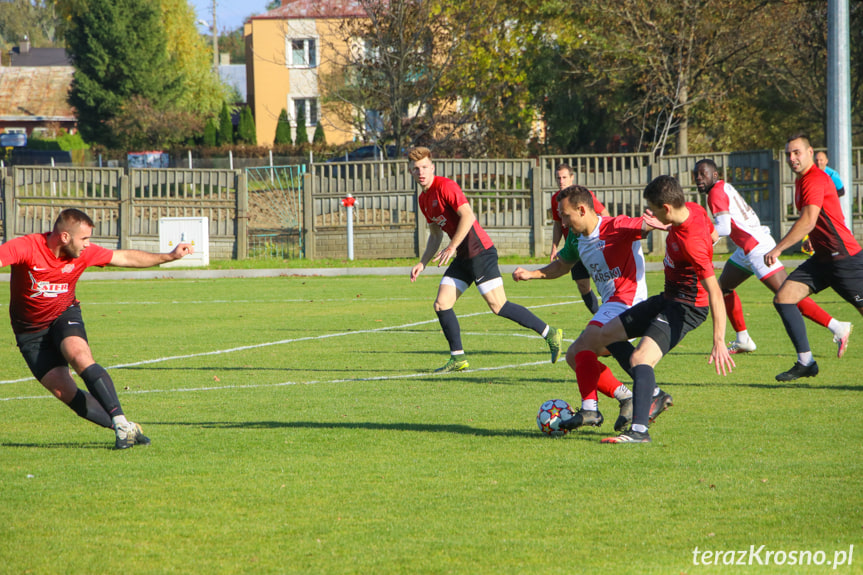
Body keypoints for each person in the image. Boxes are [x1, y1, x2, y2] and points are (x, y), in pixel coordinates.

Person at [0, 208, 193, 449]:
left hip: (63, 314)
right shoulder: (28, 247)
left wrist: (168, 257)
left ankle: (120, 423)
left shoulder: (84, 254)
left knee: (79, 356)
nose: (88, 245)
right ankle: (125, 427)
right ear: (65, 238)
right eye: (85, 239)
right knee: (64, 392)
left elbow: (123, 258)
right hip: (29, 332)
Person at [573, 175, 735, 444]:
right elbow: (714, 233)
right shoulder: (694, 208)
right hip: (667, 297)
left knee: (640, 359)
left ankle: (639, 432)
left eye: (654, 210)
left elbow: (715, 291)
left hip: (686, 307)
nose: (651, 215)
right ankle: (655, 394)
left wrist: (718, 340)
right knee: (606, 335)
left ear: (667, 208)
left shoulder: (691, 243)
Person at [513, 185, 672, 432]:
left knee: (586, 343)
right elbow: (561, 266)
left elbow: (649, 224)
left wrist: (675, 223)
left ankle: (594, 408)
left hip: (630, 300)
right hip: (613, 303)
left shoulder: (615, 226)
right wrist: (530, 274)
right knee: (575, 355)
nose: (562, 222)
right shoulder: (576, 239)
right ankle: (627, 397)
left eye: (565, 215)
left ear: (582, 209)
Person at [408, 147, 563, 372]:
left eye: (424, 167)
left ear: (432, 167)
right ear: (411, 173)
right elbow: (435, 234)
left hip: (479, 251)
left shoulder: (445, 186)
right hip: (462, 255)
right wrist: (422, 262)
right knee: (442, 304)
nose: (420, 172)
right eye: (415, 169)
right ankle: (458, 358)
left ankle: (550, 334)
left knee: (498, 306)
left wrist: (451, 247)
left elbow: (468, 216)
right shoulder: (423, 199)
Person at [693, 159, 850, 355]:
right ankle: (743, 339)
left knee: (788, 295)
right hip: (747, 247)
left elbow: (723, 227)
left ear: (714, 175)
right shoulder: (722, 187)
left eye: (703, 174)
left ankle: (837, 327)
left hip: (757, 248)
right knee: (723, 288)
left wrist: (699, 238)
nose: (699, 178)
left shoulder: (715, 192)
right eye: (696, 174)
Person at [765, 134, 862, 382]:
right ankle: (806, 362)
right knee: (784, 298)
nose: (792, 158)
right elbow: (816, 220)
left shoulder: (814, 179)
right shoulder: (801, 181)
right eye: (788, 153)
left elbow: (808, 221)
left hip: (844, 259)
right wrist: (813, 237)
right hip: (822, 259)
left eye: (796, 152)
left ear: (810, 152)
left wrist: (778, 249)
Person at [550, 163, 609, 314]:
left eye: (564, 177)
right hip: (574, 249)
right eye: (558, 178)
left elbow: (604, 214)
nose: (561, 181)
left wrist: (603, 238)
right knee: (582, 285)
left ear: (572, 178)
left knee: (603, 280)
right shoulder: (556, 199)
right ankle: (599, 317)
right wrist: (554, 247)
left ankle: (611, 315)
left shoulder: (582, 196)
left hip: (591, 245)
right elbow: (557, 225)